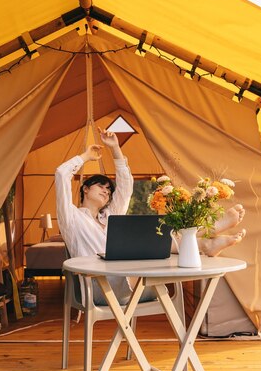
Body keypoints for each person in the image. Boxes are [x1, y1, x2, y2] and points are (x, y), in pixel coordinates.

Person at [55, 127, 246, 305]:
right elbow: (61, 174)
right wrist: (86, 156)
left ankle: (205, 242)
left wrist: (115, 149)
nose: (106, 191)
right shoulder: (71, 218)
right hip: (99, 287)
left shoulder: (110, 216)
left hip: (130, 277)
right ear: (85, 189)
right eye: (100, 186)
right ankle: (205, 239)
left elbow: (125, 187)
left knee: (155, 239)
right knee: (160, 253)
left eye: (108, 189)